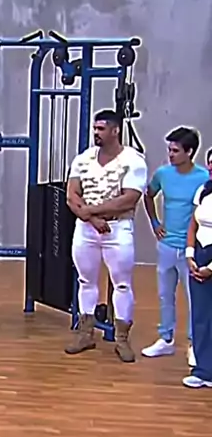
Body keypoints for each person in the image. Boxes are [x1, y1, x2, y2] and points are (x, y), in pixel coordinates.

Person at [65, 109, 148, 362]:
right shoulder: (83, 159)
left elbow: (129, 198)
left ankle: (121, 337)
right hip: (87, 228)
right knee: (85, 280)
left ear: (115, 130)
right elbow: (72, 194)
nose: (96, 133)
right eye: (95, 128)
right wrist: (91, 218)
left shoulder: (133, 160)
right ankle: (85, 333)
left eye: (101, 129)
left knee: (122, 283)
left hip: (118, 228)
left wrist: (91, 211)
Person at [142, 127, 208, 365]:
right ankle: (166, 339)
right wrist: (155, 222)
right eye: (169, 149)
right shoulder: (163, 174)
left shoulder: (203, 178)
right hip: (167, 246)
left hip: (191, 249)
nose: (170, 154)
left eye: (175, 150)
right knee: (165, 295)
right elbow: (148, 195)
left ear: (189, 152)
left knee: (194, 299)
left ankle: (194, 344)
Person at [183, 147, 212, 389]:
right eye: (210, 163)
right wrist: (190, 254)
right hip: (201, 253)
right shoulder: (203, 190)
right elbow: (193, 224)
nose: (211, 167)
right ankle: (204, 370)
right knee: (201, 316)